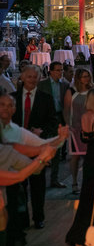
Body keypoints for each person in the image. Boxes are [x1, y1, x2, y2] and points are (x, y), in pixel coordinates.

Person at [10, 65, 57, 230]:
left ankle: (39, 217)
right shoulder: (11, 98)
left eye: (34, 77)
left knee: (38, 185)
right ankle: (21, 219)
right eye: (28, 76)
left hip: (37, 147)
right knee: (18, 186)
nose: (31, 80)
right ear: (22, 78)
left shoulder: (46, 98)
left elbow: (53, 121)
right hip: (15, 148)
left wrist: (42, 130)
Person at [65, 88, 94, 246]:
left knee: (87, 196)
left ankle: (79, 236)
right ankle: (92, 237)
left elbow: (86, 138)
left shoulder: (84, 117)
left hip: (89, 159)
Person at [37, 61, 69, 188]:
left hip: (58, 117)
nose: (60, 73)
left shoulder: (64, 85)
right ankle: (39, 177)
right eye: (57, 70)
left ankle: (54, 179)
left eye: (61, 70)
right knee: (42, 148)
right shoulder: (42, 84)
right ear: (51, 71)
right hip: (45, 119)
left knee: (57, 149)